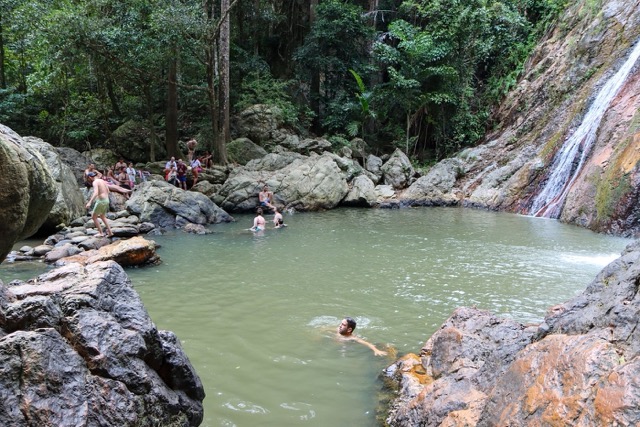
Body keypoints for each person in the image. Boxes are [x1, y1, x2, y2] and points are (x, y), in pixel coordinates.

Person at [85, 172, 113, 238]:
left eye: (88, 178)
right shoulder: (102, 180)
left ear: (89, 177)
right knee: (102, 216)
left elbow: (96, 193)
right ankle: (110, 232)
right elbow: (108, 190)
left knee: (94, 217)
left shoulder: (94, 182)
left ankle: (101, 233)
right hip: (106, 200)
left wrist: (90, 202)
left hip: (101, 201)